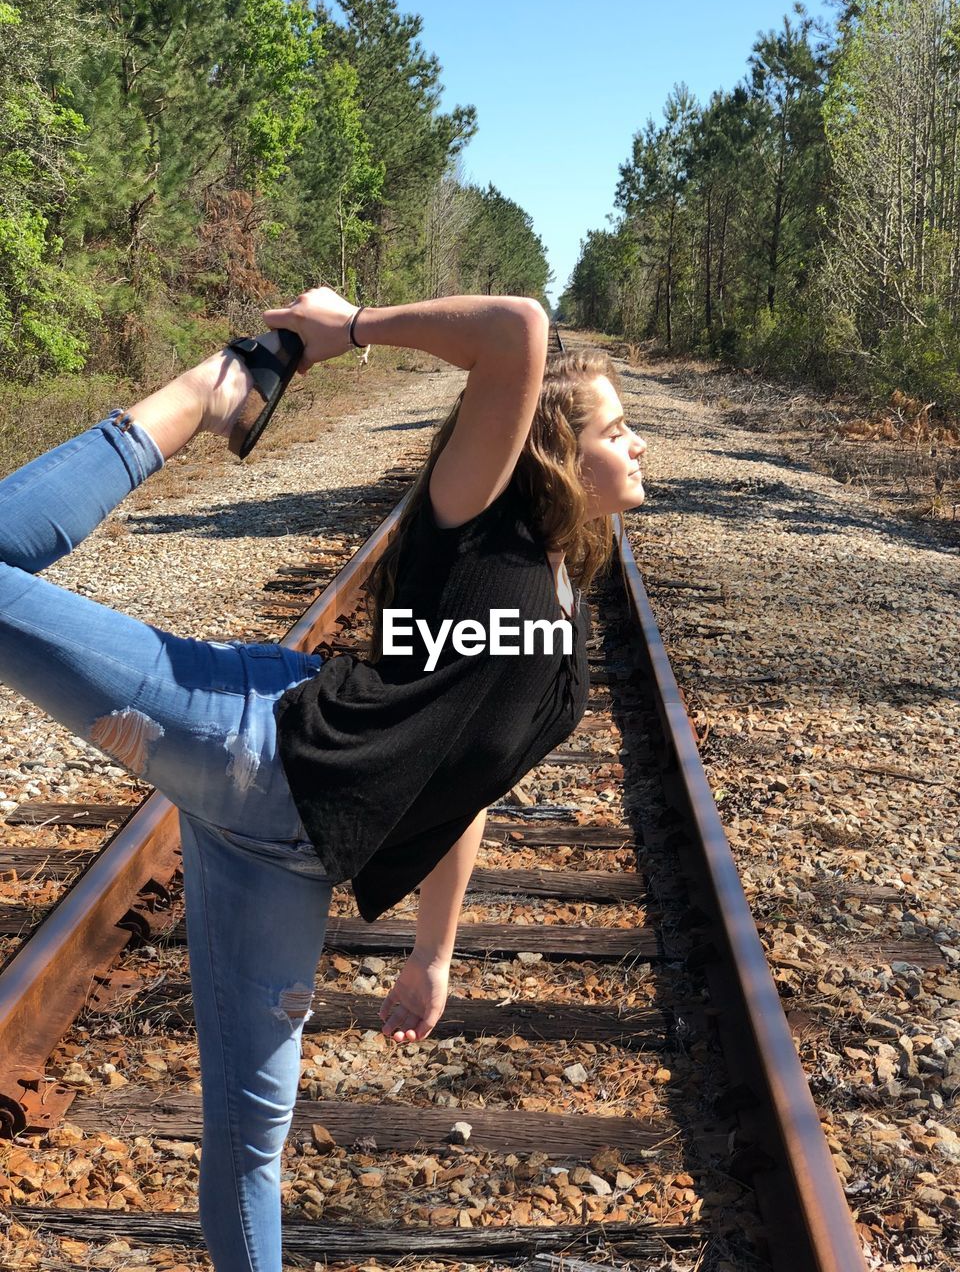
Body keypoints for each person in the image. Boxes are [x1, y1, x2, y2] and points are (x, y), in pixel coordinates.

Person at [0, 286, 646, 1270]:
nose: (638, 443)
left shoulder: (566, 599)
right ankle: (208, 389)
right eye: (617, 427)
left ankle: (217, 389)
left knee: (251, 1140)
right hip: (246, 736)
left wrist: (433, 953)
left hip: (283, 853)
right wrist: (344, 331)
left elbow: (459, 773)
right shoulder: (476, 512)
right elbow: (518, 327)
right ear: (554, 445)